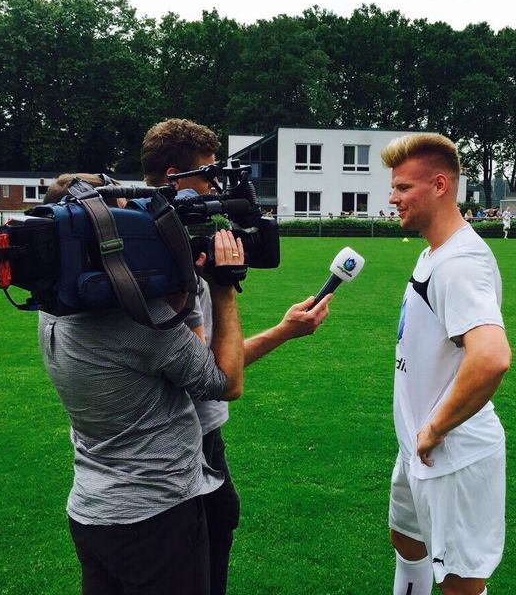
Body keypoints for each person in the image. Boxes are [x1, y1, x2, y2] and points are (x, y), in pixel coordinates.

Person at [141, 118, 332, 595]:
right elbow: (217, 377)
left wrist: (283, 330)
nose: (218, 188)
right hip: (185, 447)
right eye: (209, 175)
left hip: (175, 445)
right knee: (205, 553)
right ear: (174, 178)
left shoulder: (147, 245)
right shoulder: (168, 262)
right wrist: (233, 298)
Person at [39, 166, 247, 593]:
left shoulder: (52, 312)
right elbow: (226, 382)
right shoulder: (140, 325)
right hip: (156, 516)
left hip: (92, 510)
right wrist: (223, 290)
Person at [382, 133, 511, 595]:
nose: (392, 198)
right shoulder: (433, 251)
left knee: (460, 583)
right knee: (407, 539)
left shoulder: (460, 262)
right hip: (417, 445)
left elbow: (492, 357)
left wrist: (436, 428)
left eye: (402, 188)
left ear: (440, 185)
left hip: (452, 454)